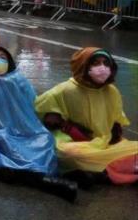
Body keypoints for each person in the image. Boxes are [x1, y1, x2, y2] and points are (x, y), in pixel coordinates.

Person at [0, 47, 77, 201]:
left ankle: (32, 174)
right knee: (5, 145)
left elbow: (35, 103)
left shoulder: (18, 79)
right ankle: (40, 177)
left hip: (25, 129)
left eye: (3, 57)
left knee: (45, 139)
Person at [35, 48, 138, 186]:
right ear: (84, 66)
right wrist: (64, 125)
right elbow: (41, 110)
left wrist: (115, 129)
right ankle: (113, 170)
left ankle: (101, 172)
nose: (103, 68)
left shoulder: (111, 91)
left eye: (106, 63)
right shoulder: (65, 89)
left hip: (105, 142)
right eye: (96, 63)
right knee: (70, 154)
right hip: (75, 143)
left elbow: (117, 117)